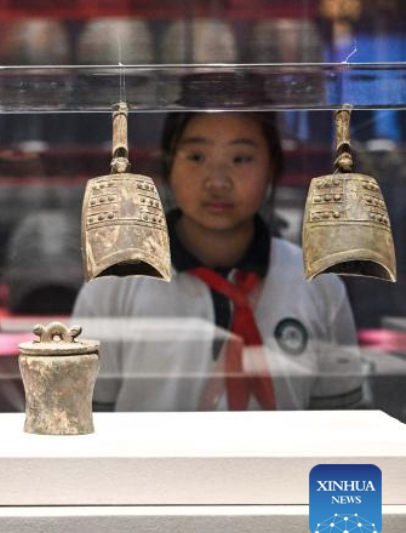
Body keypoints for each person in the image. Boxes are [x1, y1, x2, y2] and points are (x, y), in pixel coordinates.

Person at [72, 111, 366, 412]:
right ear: (168, 164)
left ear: (273, 167)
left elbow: (341, 424)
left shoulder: (317, 282)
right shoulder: (114, 282)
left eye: (241, 158)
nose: (218, 181)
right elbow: (88, 421)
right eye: (197, 157)